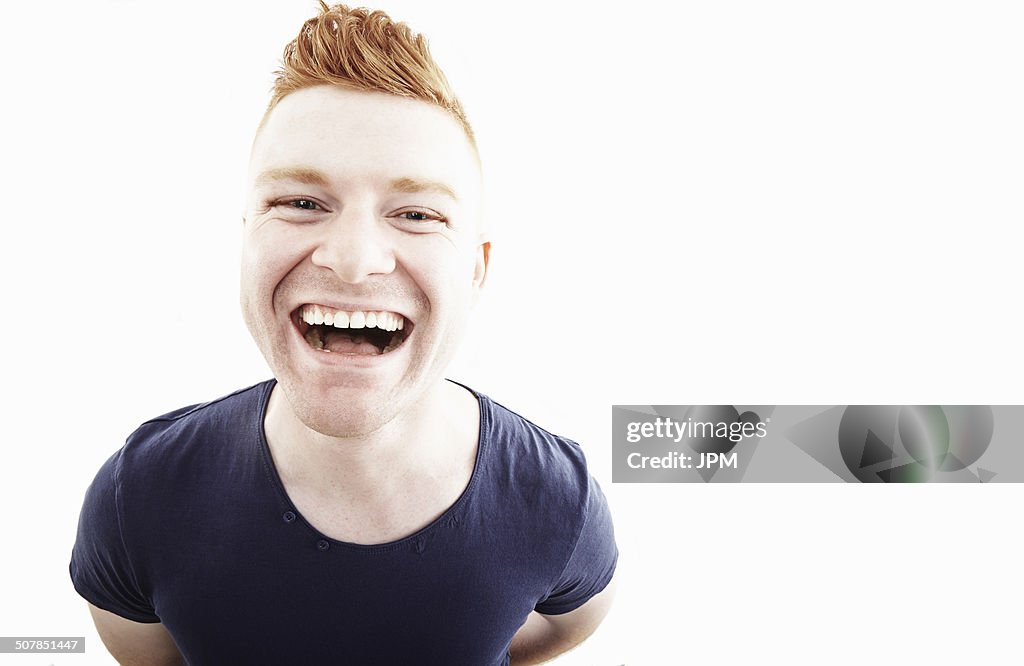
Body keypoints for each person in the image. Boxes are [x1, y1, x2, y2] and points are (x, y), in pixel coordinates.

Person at [69, 3, 617, 664]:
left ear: (476, 269)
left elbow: (561, 629)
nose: (354, 260)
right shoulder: (140, 498)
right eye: (301, 202)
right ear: (247, 241)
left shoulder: (561, 501)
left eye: (416, 213)